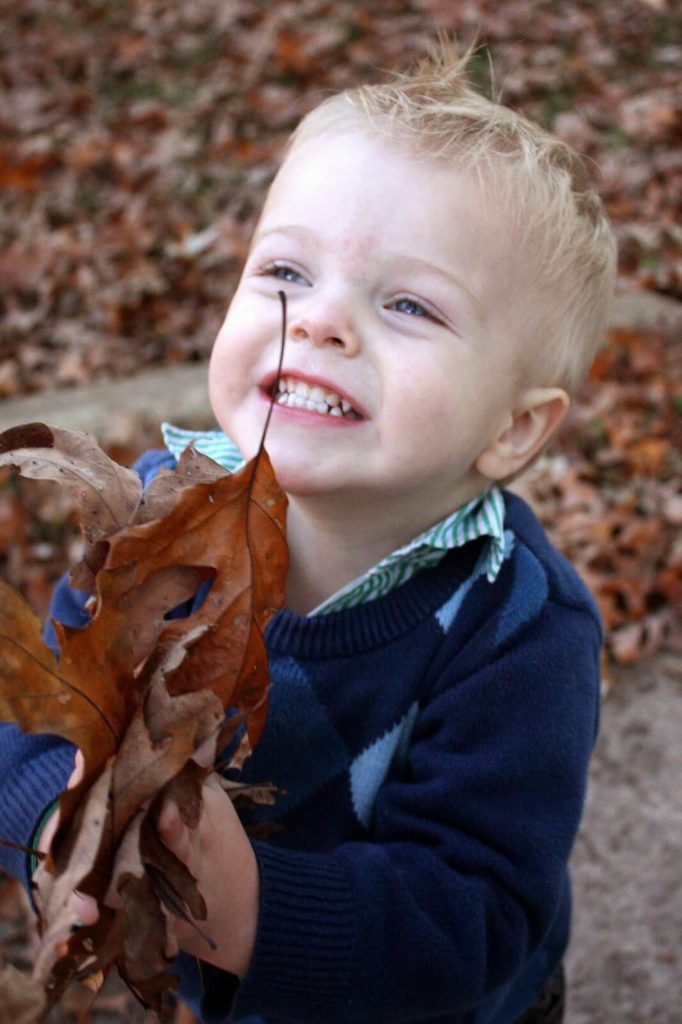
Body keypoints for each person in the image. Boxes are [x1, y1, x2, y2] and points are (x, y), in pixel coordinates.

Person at [0, 43, 616, 1024]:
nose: (321, 319)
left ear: (512, 428)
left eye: (408, 304)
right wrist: (57, 823)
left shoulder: (518, 630)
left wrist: (253, 909)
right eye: (286, 269)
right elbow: (40, 718)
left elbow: (479, 911)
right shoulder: (157, 520)